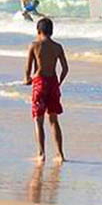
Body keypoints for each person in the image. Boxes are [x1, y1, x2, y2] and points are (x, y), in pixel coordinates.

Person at [24, 17, 68, 163]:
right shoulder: (58, 47)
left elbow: (28, 69)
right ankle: (60, 154)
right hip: (53, 82)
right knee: (54, 120)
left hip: (40, 82)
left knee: (38, 119)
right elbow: (65, 69)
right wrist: (59, 83)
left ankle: (41, 154)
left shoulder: (34, 45)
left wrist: (27, 79)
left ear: (39, 31)